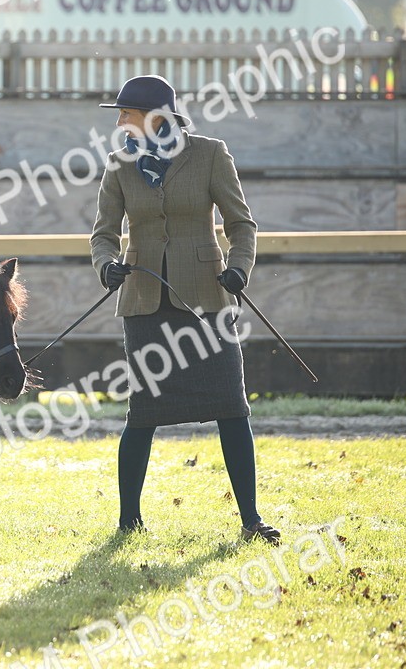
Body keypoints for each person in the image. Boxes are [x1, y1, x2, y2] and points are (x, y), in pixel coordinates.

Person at [89, 75, 281, 545]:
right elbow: (103, 234)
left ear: (156, 117)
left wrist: (239, 269)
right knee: (142, 414)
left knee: (232, 409)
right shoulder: (119, 165)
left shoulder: (211, 154)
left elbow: (242, 224)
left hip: (207, 301)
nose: (118, 123)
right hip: (143, 301)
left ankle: (251, 520)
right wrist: (106, 266)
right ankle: (128, 521)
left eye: (125, 114)